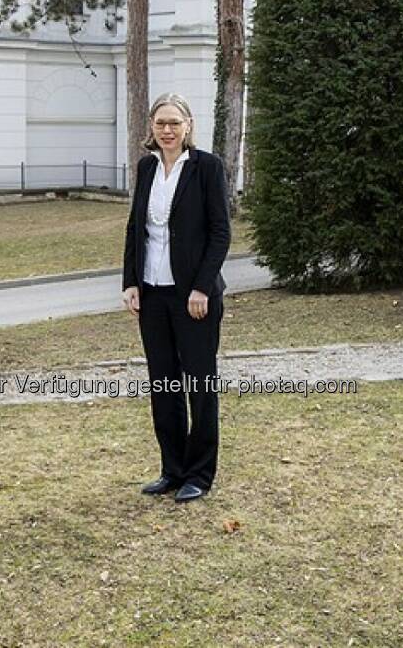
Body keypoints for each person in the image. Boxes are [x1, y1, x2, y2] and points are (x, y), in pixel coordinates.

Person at [122, 93, 231, 503]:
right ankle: (172, 469)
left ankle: (199, 475)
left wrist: (202, 287)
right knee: (164, 385)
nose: (167, 130)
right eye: (160, 122)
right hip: (153, 297)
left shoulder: (207, 168)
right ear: (151, 126)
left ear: (188, 126)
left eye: (174, 122)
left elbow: (220, 233)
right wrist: (130, 281)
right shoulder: (147, 168)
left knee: (200, 387)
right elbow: (136, 228)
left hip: (194, 299)